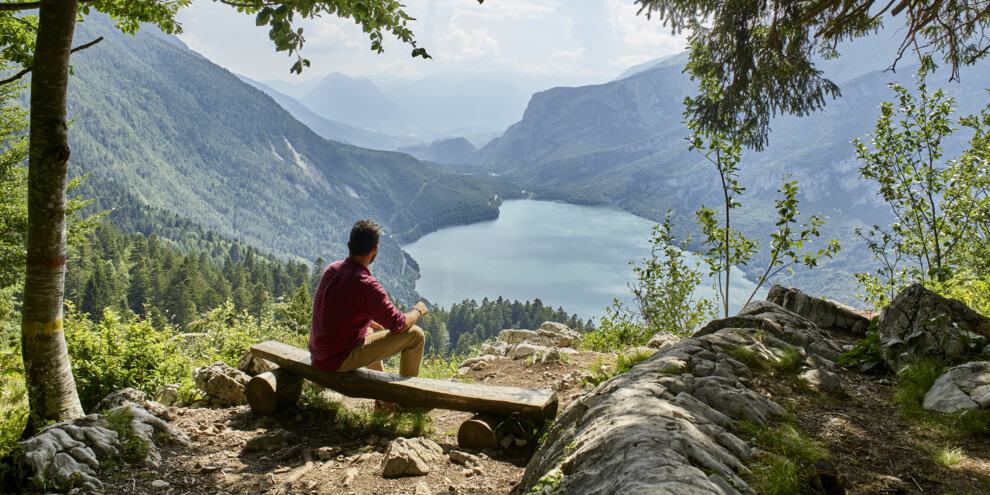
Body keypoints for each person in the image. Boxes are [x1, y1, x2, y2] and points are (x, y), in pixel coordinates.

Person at [309, 220, 428, 377]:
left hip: (319, 352)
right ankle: (406, 400)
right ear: (375, 250)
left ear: (349, 245)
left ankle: (382, 399)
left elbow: (332, 310)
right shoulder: (365, 285)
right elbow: (399, 324)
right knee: (416, 335)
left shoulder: (332, 269)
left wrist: (366, 321)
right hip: (336, 360)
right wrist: (418, 310)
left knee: (370, 329)